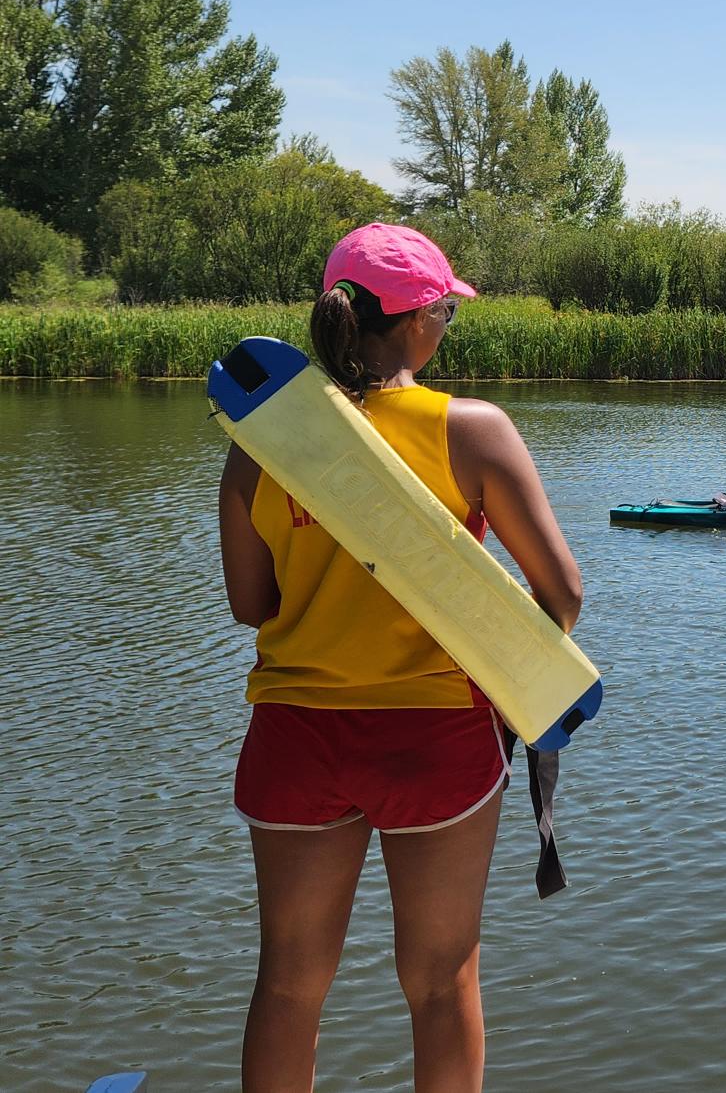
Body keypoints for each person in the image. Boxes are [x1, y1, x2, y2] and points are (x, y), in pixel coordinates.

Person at [218, 222, 584, 1093]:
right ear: (418, 323)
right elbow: (562, 595)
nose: (447, 328)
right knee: (439, 978)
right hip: (433, 740)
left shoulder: (259, 443)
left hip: (294, 738)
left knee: (289, 981)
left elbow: (249, 605)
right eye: (446, 313)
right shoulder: (472, 430)